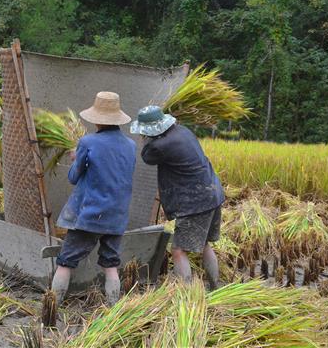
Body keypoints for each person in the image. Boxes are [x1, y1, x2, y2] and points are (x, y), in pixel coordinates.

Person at [51, 91, 136, 306]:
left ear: (96, 119)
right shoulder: (131, 145)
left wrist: (75, 158)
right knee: (111, 265)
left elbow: (73, 177)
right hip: (117, 216)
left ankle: (52, 309)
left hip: (91, 214)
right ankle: (113, 312)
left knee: (65, 261)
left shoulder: (87, 142)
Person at [130, 105, 224, 290]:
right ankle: (215, 286)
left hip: (195, 203)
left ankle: (187, 296)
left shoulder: (159, 146)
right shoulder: (183, 131)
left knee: (178, 250)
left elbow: (146, 156)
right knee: (204, 244)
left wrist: (146, 139)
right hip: (212, 194)